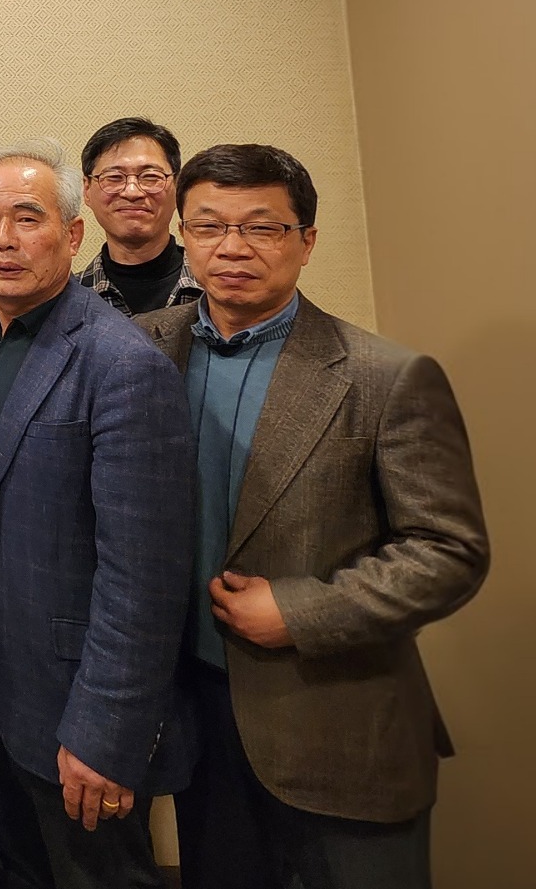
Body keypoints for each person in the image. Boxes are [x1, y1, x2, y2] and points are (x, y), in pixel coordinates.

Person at [136, 145, 488, 889]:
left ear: (307, 240)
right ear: (184, 236)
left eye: (263, 227)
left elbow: (448, 549)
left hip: (340, 725)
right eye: (209, 226)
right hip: (197, 721)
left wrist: (299, 612)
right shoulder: (140, 349)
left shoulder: (384, 376)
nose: (233, 247)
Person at [0, 142, 195, 889]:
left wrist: (106, 731)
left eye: (28, 218)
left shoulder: (122, 363)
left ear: (72, 232)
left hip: (76, 707)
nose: (4, 239)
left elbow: (145, 577)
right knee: (22, 868)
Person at [76, 117, 200, 316]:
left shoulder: (217, 289)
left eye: (150, 177)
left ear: (177, 188)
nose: (132, 192)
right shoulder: (66, 302)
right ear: (87, 190)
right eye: (114, 177)